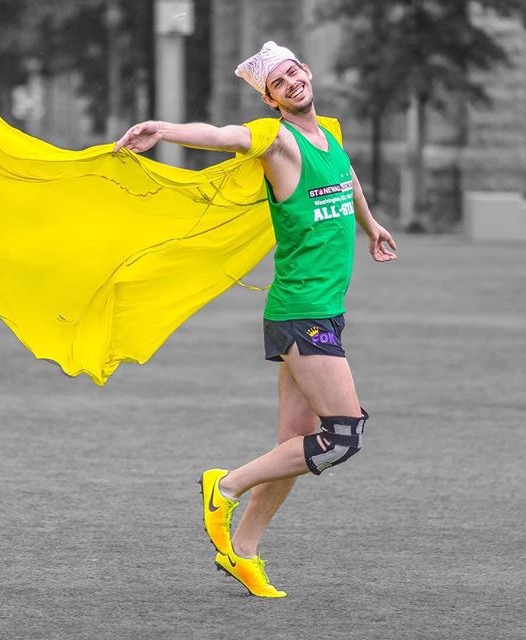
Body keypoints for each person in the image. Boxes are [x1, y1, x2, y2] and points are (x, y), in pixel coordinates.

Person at [117, 40, 397, 598]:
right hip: (301, 313)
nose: (292, 84)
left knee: (292, 447)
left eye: (294, 73)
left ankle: (241, 552)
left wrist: (370, 226)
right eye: (279, 84)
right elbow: (225, 136)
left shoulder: (329, 134)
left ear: (307, 72)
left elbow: (346, 178)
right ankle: (225, 485)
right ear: (271, 100)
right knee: (342, 437)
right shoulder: (277, 140)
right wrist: (162, 130)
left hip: (323, 310)